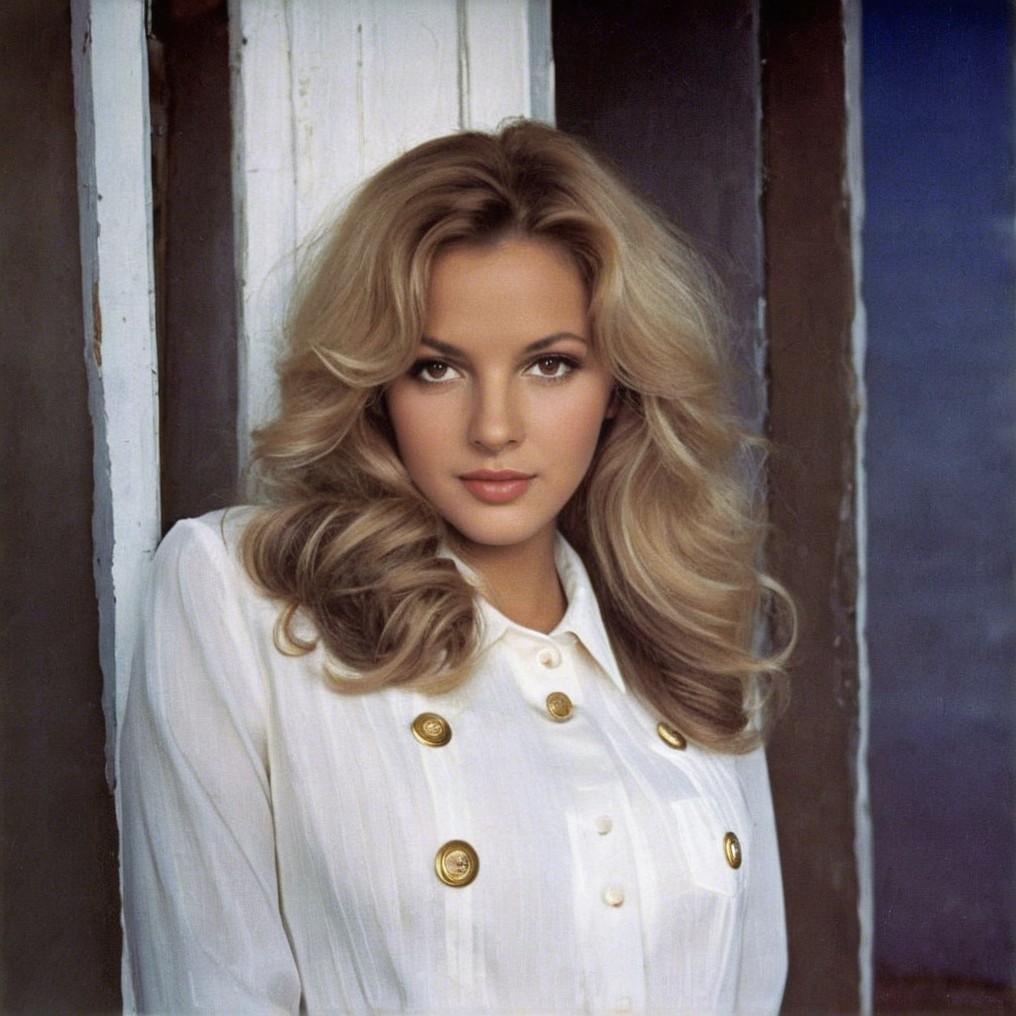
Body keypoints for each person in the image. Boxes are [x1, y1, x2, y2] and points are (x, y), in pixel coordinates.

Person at [120, 119, 793, 1015]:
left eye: (550, 364)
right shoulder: (238, 595)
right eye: (436, 370)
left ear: (620, 385)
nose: (494, 427)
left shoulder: (685, 625)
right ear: (376, 384)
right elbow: (214, 989)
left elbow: (752, 985)